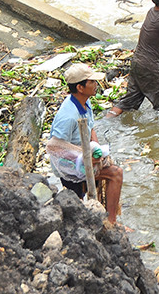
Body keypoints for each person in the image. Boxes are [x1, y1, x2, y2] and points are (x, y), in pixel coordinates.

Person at [46, 64, 124, 226]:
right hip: (70, 164)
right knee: (116, 174)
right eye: (92, 82)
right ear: (80, 87)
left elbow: (90, 127)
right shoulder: (68, 115)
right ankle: (112, 222)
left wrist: (96, 148)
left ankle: (106, 216)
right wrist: (85, 154)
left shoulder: (84, 102)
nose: (96, 85)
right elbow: (54, 146)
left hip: (83, 157)